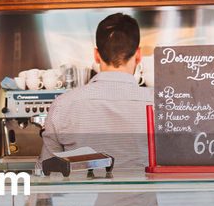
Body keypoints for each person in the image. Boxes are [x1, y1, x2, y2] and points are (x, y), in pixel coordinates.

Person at [38, 13, 152, 176]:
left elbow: (47, 171)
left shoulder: (62, 105)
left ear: (96, 55)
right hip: (141, 201)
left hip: (79, 201)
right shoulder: (159, 105)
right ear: (139, 54)